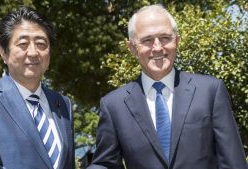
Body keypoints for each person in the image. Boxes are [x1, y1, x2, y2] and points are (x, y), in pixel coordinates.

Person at [88, 4, 247, 169]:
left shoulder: (210, 92)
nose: (157, 47)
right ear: (133, 48)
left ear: (177, 41)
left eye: (165, 38)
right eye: (147, 40)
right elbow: (105, 164)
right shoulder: (114, 105)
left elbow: (233, 161)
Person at [0, 6, 74, 169]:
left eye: (41, 44)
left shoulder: (63, 104)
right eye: (23, 44)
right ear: (3, 53)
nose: (33, 52)